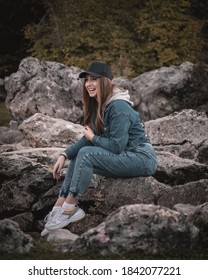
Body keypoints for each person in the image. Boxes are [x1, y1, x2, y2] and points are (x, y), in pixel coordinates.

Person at [41, 61, 157, 236]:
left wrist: (93, 138)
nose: (88, 84)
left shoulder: (118, 106)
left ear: (105, 81)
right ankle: (58, 208)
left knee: (86, 154)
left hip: (141, 157)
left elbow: (116, 146)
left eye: (93, 79)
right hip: (126, 155)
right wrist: (64, 155)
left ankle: (70, 209)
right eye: (86, 80)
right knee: (79, 155)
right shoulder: (101, 105)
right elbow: (87, 140)